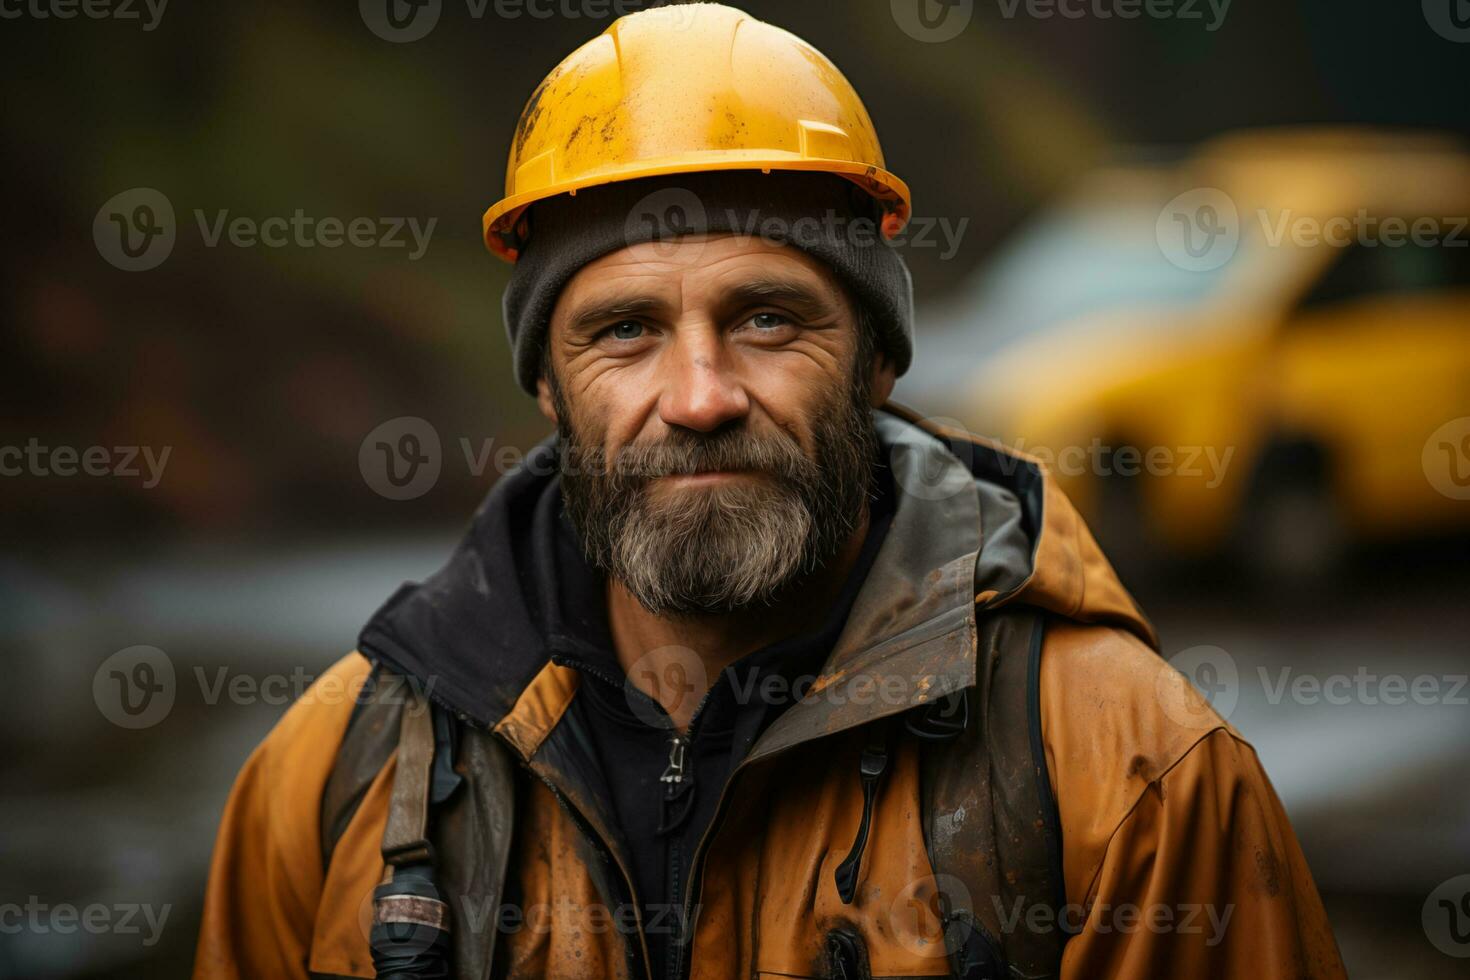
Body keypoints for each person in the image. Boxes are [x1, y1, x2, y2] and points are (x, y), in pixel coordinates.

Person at [193, 4, 1346, 978]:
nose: (699, 395)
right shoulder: (335, 776)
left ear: (878, 357)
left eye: (766, 318)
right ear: (547, 381)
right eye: (625, 330)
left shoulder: (1131, 775)